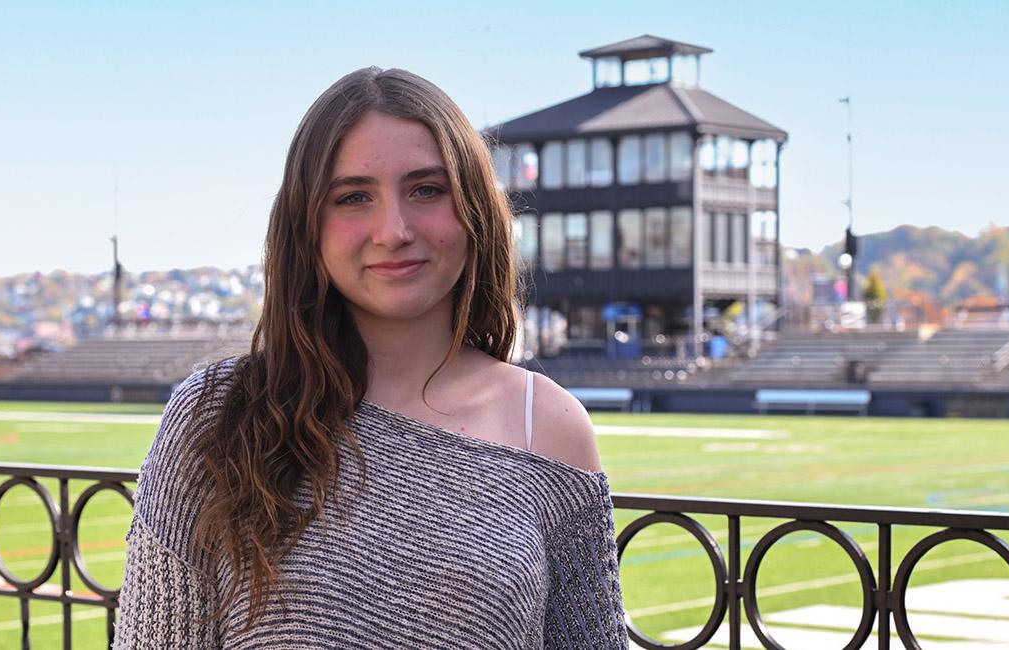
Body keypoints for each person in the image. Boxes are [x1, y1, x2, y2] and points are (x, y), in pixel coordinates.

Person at [113, 67, 629, 649]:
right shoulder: (219, 414)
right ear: (307, 226)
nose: (394, 230)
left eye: (426, 190)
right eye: (353, 197)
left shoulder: (551, 428)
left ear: (474, 209)